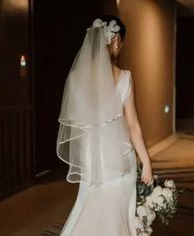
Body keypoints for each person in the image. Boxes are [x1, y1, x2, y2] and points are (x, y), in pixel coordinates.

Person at [56, 15, 153, 236]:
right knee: (118, 212)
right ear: (116, 40)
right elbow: (132, 125)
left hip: (92, 158)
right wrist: (146, 161)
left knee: (87, 205)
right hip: (120, 158)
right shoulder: (125, 77)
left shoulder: (75, 79)